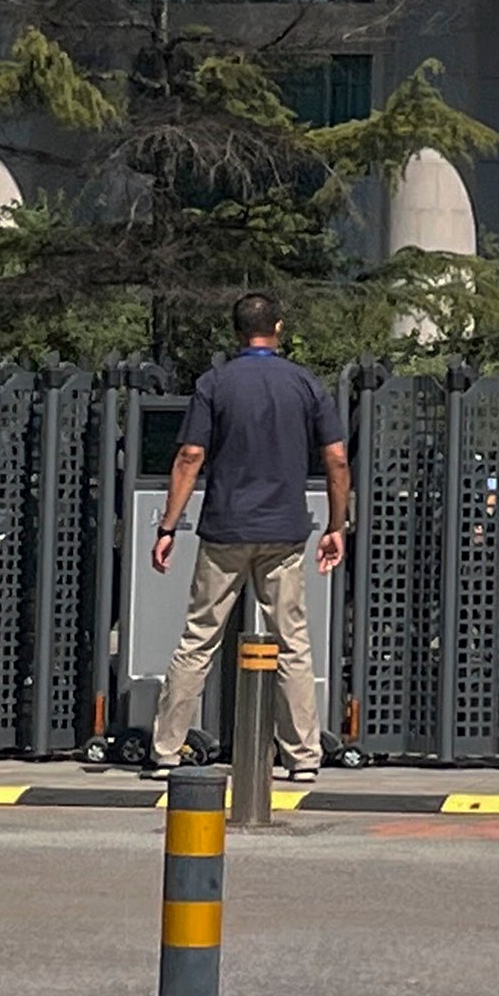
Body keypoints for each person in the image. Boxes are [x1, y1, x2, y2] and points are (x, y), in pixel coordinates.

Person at [148, 292, 347, 778]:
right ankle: (302, 757)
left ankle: (167, 750)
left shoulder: (214, 383)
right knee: (292, 642)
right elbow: (337, 458)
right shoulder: (305, 383)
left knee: (199, 639)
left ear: (237, 332)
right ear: (278, 327)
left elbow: (190, 456)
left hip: (225, 529)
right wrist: (337, 526)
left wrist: (168, 526)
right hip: (284, 532)